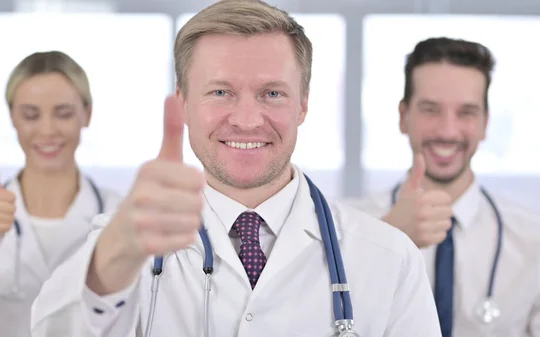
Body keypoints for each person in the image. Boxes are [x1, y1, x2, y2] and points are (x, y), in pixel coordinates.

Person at [30, 1, 442, 336]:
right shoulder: (121, 247)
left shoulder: (389, 259)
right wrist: (115, 258)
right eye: (221, 91)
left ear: (303, 104)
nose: (247, 120)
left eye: (272, 93)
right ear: (184, 102)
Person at [344, 37, 540, 336]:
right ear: (403, 117)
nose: (447, 131)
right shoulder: (346, 230)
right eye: (430, 109)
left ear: (485, 123)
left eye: (466, 112)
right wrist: (387, 240)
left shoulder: (532, 240)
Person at [0, 51, 122, 337]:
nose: (47, 130)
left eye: (63, 113)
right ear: (12, 117)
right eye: (30, 115)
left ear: (87, 114)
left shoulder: (119, 217)